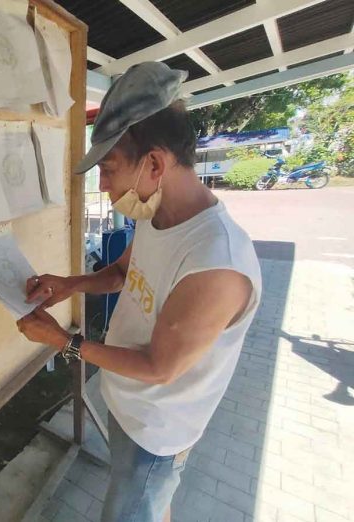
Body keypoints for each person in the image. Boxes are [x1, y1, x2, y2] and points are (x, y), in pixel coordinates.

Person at [16, 62, 262, 522]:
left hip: (158, 431)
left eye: (108, 170)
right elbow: (120, 274)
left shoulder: (216, 262)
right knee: (150, 506)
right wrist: (68, 284)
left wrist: (64, 341)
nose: (103, 187)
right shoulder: (157, 216)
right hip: (127, 403)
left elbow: (158, 367)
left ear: (154, 163)